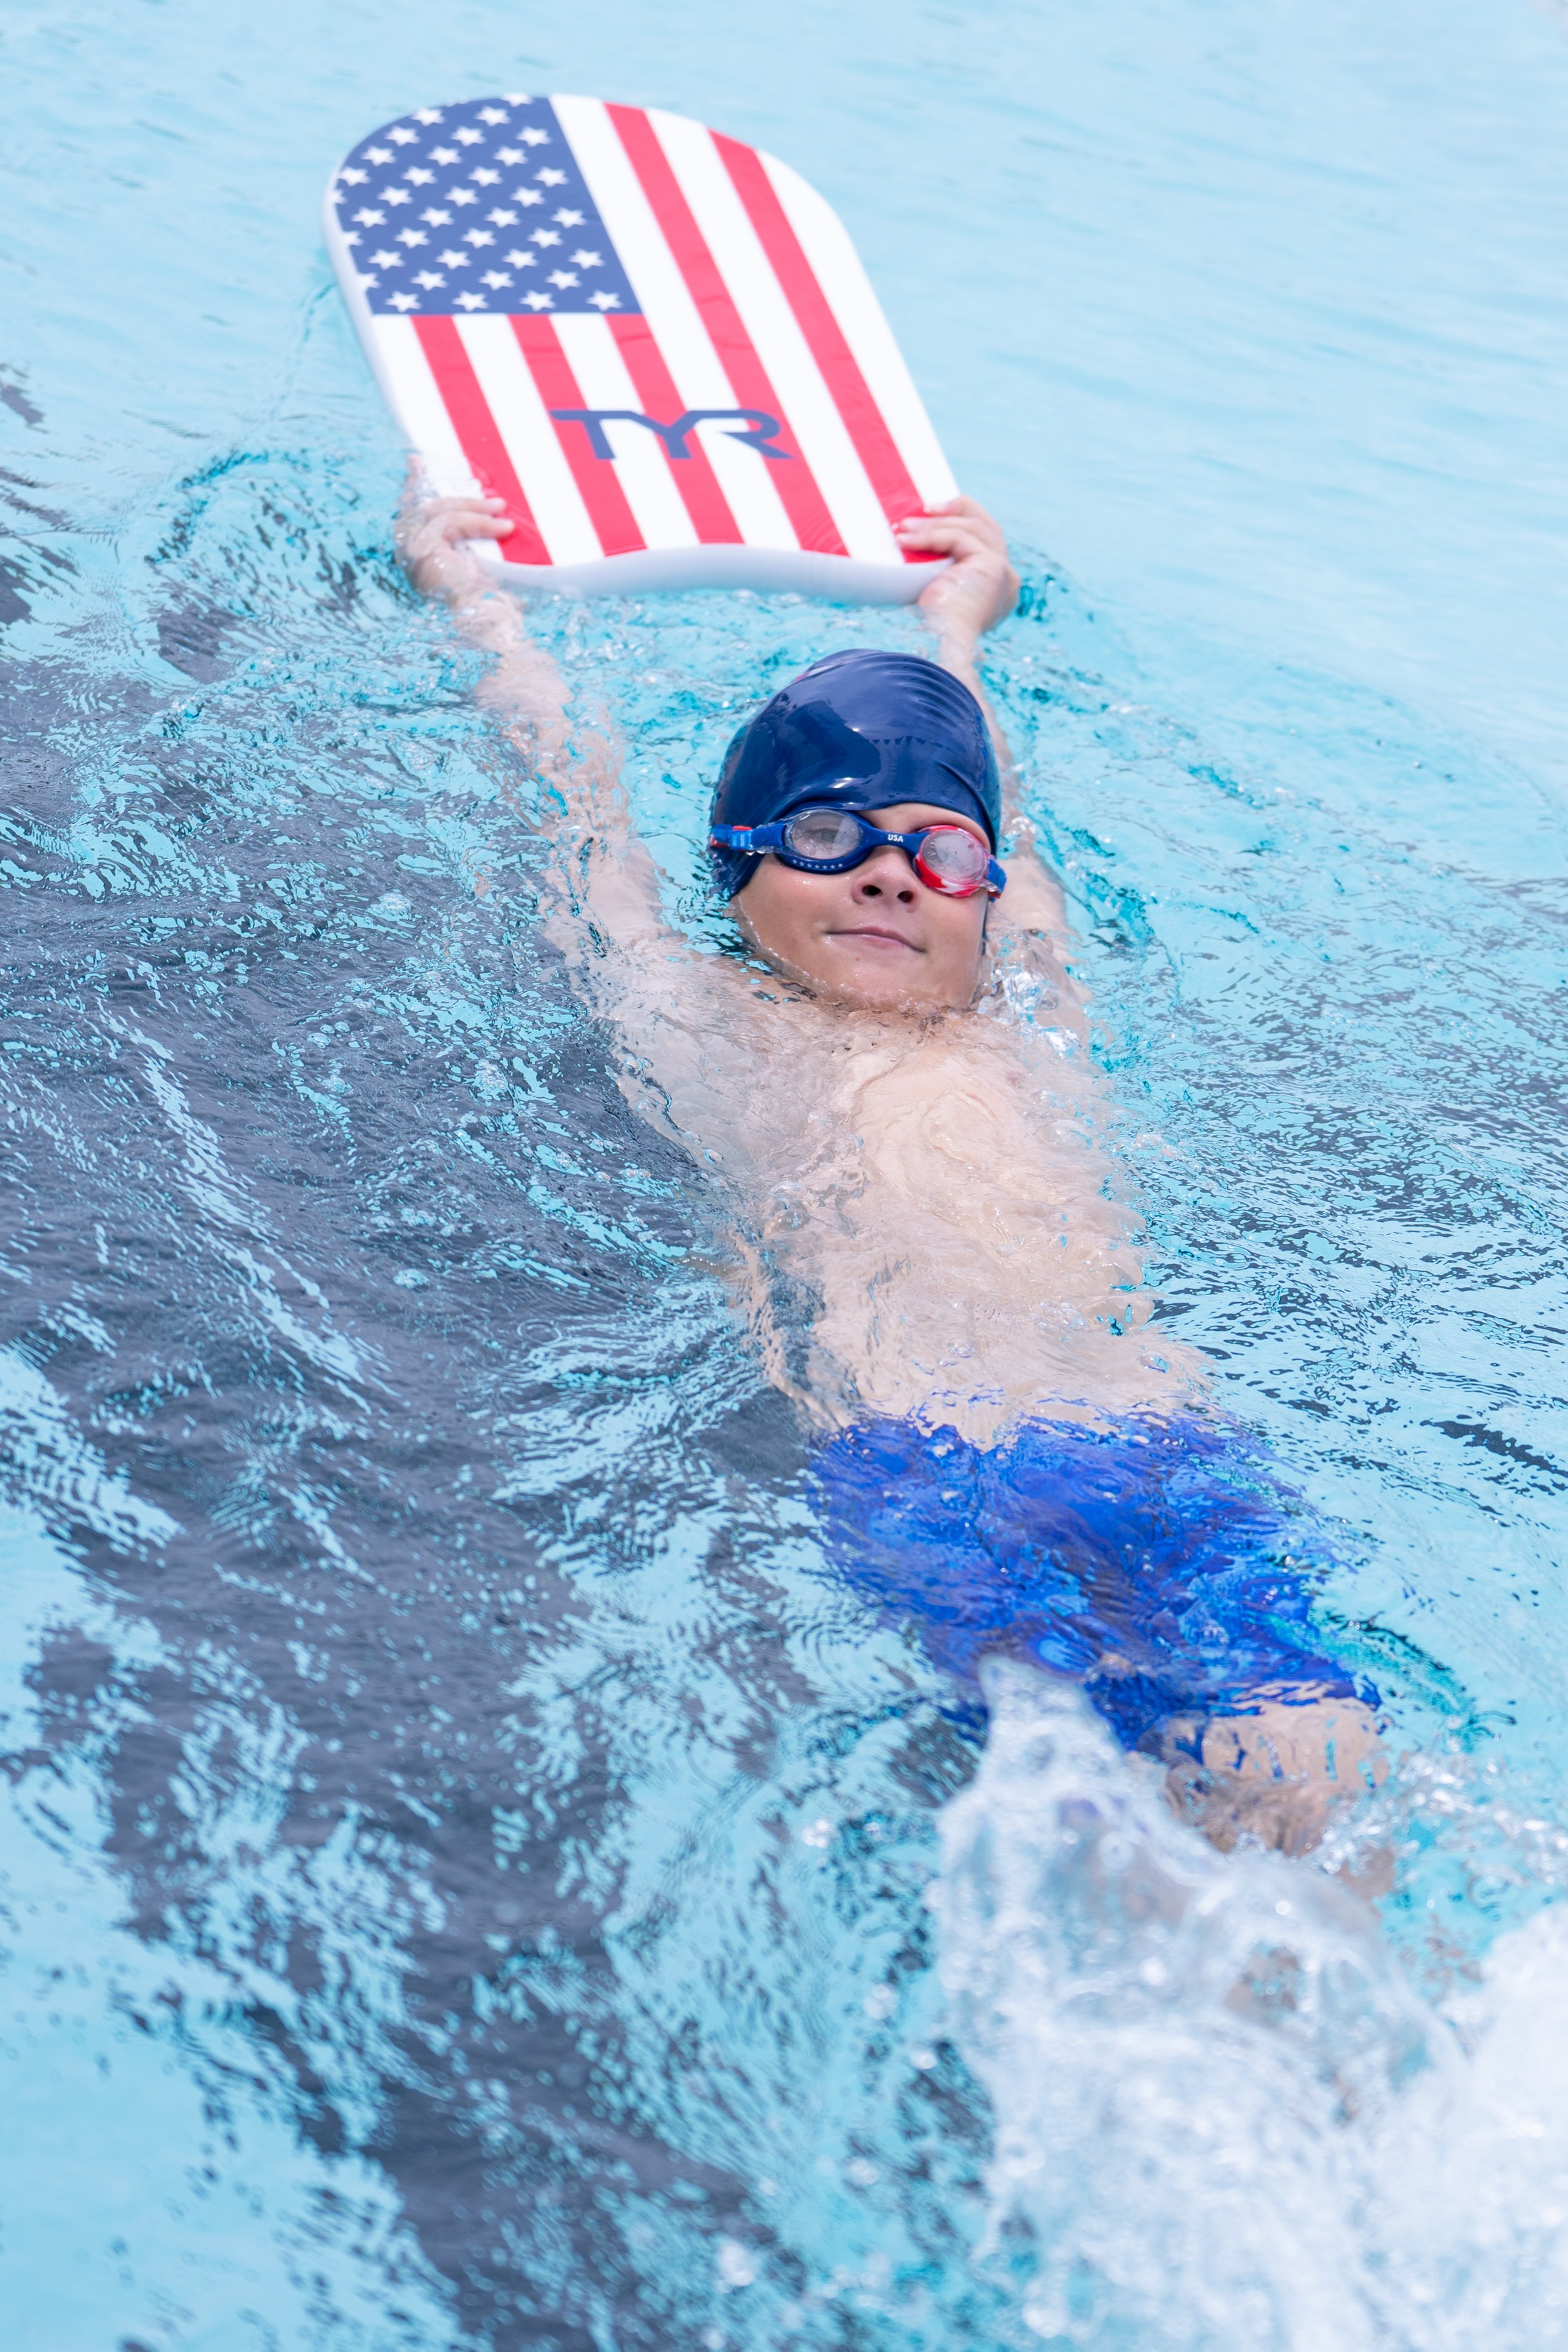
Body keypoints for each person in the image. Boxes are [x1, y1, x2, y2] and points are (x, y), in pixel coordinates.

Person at [397, 479, 1382, 1858]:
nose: (886, 873)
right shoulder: (705, 1020)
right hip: (929, 1466)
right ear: (735, 873)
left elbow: (1009, 837)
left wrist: (956, 626)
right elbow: (579, 818)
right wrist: (480, 607)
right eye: (821, 835)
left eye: (934, 851)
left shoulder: (1025, 1014)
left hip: (1166, 1455)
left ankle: (1381, 2053)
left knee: (1316, 1775)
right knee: (1115, 1824)